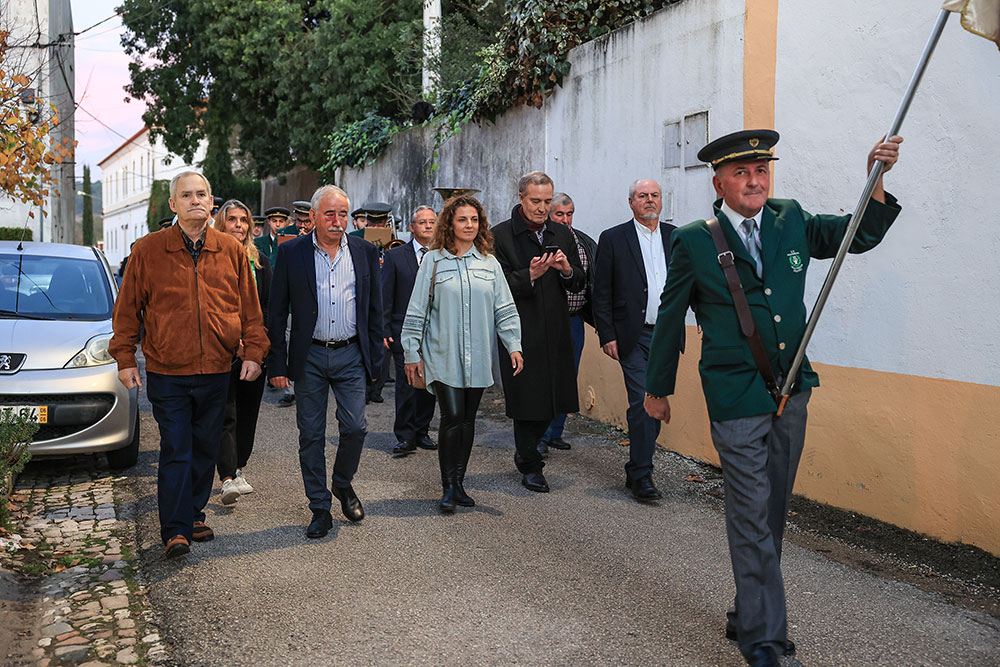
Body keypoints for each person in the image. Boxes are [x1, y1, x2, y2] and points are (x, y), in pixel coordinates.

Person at [644, 130, 903, 667]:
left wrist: (876, 178)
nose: (754, 180)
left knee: (772, 509)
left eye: (761, 170)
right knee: (749, 513)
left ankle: (749, 609)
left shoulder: (791, 218)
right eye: (741, 173)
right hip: (736, 394)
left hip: (790, 392)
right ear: (719, 182)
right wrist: (657, 390)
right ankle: (762, 639)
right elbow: (671, 317)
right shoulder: (695, 239)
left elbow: (860, 234)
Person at [110, 171, 268, 558]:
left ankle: (194, 512)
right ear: (173, 205)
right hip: (168, 370)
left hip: (217, 368)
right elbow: (128, 309)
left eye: (202, 194)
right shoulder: (148, 250)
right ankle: (175, 529)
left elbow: (250, 308)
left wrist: (253, 353)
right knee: (177, 447)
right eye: (187, 195)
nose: (195, 200)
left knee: (205, 447)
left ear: (212, 201)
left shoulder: (231, 251)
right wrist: (125, 357)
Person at [267, 185, 384, 539]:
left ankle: (342, 484)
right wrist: (277, 366)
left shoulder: (364, 252)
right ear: (314, 217)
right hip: (311, 355)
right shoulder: (292, 254)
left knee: (355, 427)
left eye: (343, 214)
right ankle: (320, 507)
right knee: (311, 434)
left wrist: (375, 361)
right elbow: (276, 313)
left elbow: (374, 309)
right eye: (330, 214)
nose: (337, 221)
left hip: (350, 353)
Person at [401, 196, 522, 512]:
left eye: (474, 220)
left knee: (467, 419)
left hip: (478, 356)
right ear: (450, 224)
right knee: (452, 416)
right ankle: (447, 487)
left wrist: (514, 345)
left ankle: (459, 483)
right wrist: (411, 351)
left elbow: (505, 309)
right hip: (442, 353)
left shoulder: (489, 263)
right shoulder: (434, 261)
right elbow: (416, 310)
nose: (470, 225)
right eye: (462, 220)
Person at [493, 171, 584, 493]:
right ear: (521, 198)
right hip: (519, 330)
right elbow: (494, 284)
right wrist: (527, 275)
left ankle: (529, 451)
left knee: (556, 398)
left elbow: (579, 280)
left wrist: (566, 269)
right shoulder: (500, 235)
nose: (542, 208)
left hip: (557, 328)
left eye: (547, 201)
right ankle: (530, 462)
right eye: (536, 201)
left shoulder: (561, 232)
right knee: (527, 399)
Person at [592, 179, 677, 502]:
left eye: (654, 195)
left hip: (667, 335)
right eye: (643, 196)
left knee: (653, 405)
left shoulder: (675, 236)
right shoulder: (614, 238)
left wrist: (702, 314)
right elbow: (601, 291)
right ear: (631, 202)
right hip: (632, 334)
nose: (650, 201)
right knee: (643, 403)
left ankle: (635, 466)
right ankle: (643, 475)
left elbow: (689, 279)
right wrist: (607, 333)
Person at [212, 200, 272, 505]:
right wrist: (234, 342)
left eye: (243, 220)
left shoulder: (258, 260)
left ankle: (238, 468)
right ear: (221, 224)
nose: (239, 225)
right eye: (232, 219)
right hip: (222, 349)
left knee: (248, 414)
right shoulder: (210, 258)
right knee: (226, 413)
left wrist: (259, 347)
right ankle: (226, 478)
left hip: (254, 350)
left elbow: (270, 307)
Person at [538, 193, 597, 456]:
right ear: (549, 215)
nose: (565, 219)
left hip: (575, 319)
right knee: (545, 377)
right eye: (559, 214)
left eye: (569, 213)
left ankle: (555, 433)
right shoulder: (541, 241)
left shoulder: (583, 242)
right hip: (546, 320)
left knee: (568, 376)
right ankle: (538, 435)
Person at [382, 205, 438, 458]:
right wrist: (384, 328)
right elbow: (386, 295)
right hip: (402, 329)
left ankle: (422, 431)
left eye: (432, 221)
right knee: (407, 384)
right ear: (412, 227)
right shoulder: (396, 256)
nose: (428, 226)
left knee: (428, 384)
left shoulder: (443, 255)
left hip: (435, 330)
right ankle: (405, 436)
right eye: (422, 222)